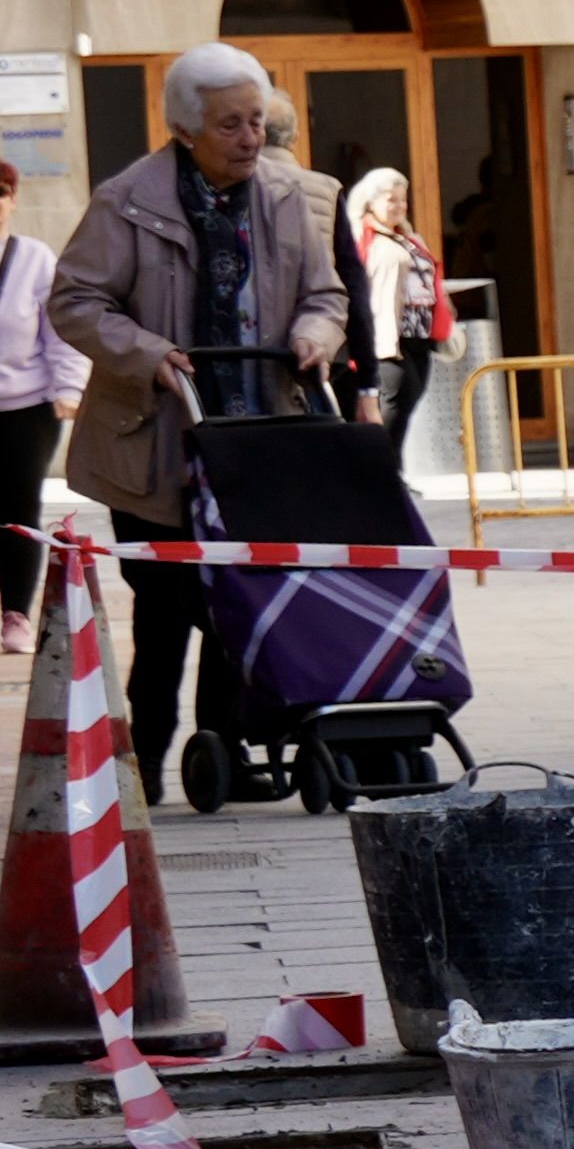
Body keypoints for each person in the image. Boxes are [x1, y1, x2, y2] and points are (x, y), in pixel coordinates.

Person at [55, 46, 348, 797]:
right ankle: (144, 765)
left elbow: (326, 293)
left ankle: (224, 757)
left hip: (258, 439)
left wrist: (317, 333)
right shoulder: (127, 200)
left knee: (243, 604)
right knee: (165, 614)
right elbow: (76, 302)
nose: (251, 138)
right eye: (231, 126)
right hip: (157, 442)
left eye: (256, 120)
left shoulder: (284, 194)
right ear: (186, 129)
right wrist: (146, 351)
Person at [0, 162, 69, 662]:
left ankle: (16, 614)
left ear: (12, 201)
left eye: (1, 194)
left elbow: (60, 330)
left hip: (26, 406)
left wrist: (70, 388)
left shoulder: (34, 258)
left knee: (20, 510)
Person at [341, 166, 444, 452]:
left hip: (418, 334)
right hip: (385, 336)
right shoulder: (362, 237)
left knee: (410, 398)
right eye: (391, 199)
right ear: (370, 201)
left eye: (403, 199)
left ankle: (393, 470)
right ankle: (378, 469)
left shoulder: (407, 237)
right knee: (393, 400)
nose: (399, 206)